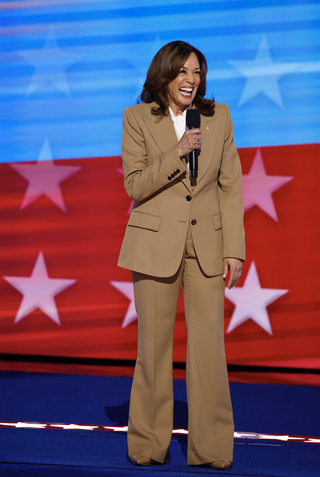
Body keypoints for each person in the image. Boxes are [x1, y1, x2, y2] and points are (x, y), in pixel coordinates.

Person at [117, 40, 245, 470]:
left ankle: (210, 449)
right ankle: (148, 444)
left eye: (197, 72)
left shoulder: (219, 116)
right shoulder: (136, 118)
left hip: (208, 247)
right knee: (152, 349)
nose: (191, 80)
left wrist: (235, 250)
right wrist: (178, 153)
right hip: (154, 245)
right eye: (183, 71)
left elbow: (231, 187)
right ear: (164, 75)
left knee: (209, 350)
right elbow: (134, 185)